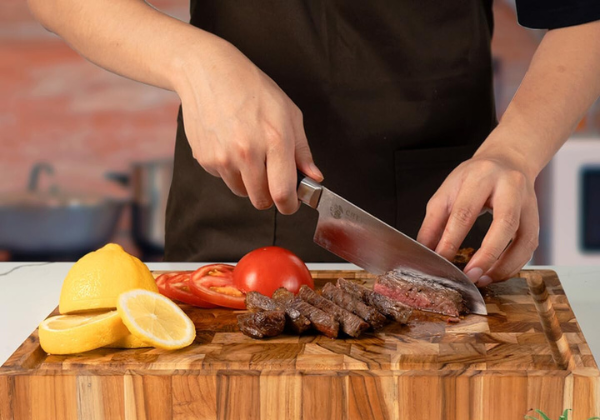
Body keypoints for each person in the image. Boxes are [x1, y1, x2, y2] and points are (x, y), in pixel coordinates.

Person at [28, 1, 600, 286]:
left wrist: (515, 151)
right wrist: (196, 62)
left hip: (442, 222)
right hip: (239, 208)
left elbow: (585, 13)